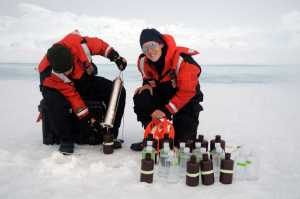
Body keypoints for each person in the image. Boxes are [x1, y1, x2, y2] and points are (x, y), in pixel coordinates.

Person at [38, 30, 127, 155]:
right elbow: (73, 97)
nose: (68, 73)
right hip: (58, 88)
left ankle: (109, 134)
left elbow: (100, 46)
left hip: (81, 78)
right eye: (65, 72)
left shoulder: (78, 44)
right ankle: (66, 139)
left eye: (69, 68)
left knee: (119, 91)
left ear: (72, 56)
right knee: (56, 102)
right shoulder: (49, 74)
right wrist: (89, 120)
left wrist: (115, 57)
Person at [131, 28, 203, 151]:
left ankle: (182, 135)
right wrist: (147, 84)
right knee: (141, 95)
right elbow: (148, 78)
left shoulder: (184, 61)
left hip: (186, 101)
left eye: (152, 45)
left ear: (161, 44)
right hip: (163, 95)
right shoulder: (143, 61)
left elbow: (187, 93)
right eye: (145, 48)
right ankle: (153, 136)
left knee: (181, 145)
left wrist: (165, 111)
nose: (150, 51)